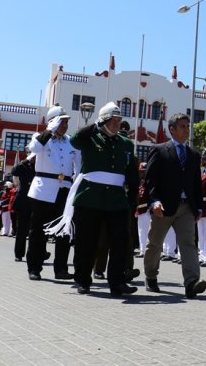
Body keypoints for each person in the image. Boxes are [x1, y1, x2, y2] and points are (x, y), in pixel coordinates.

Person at [67, 102, 139, 296]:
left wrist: (132, 198)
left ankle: (117, 282)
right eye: (112, 121)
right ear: (103, 121)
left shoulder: (125, 143)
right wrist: (95, 125)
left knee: (119, 241)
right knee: (86, 242)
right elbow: (74, 140)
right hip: (90, 197)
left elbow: (132, 173)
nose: (116, 124)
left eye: (119, 121)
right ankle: (83, 280)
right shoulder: (90, 138)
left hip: (116, 199)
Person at [143, 112, 206, 299]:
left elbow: (196, 183)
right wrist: (154, 201)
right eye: (182, 126)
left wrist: (199, 207)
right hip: (163, 207)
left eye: (188, 126)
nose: (187, 129)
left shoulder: (194, 155)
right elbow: (150, 180)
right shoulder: (160, 150)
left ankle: (191, 283)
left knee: (188, 243)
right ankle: (151, 276)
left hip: (186, 207)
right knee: (155, 244)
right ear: (172, 129)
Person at [26, 105, 79, 281]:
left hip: (64, 189)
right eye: (62, 121)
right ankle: (34, 268)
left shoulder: (70, 141)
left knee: (64, 232)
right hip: (43, 190)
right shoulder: (41, 138)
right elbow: (33, 148)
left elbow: (78, 166)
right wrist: (49, 130)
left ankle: (61, 269)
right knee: (38, 231)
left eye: (66, 122)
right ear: (53, 122)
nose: (65, 125)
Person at [11, 153, 36, 261]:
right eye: (32, 156)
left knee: (36, 230)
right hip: (23, 201)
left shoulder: (41, 165)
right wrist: (26, 160)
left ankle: (38, 254)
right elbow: (14, 172)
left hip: (36, 201)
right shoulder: (24, 166)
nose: (34, 158)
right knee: (21, 230)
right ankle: (19, 254)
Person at [134, 162, 149, 257]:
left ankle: (146, 251)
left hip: (147, 210)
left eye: (143, 171)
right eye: (140, 172)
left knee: (147, 232)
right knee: (141, 232)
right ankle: (142, 251)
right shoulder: (141, 182)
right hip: (140, 210)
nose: (141, 173)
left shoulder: (149, 182)